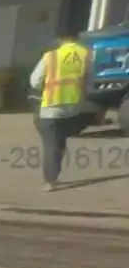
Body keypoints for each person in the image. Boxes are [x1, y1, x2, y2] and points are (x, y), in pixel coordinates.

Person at [30, 29, 93, 190]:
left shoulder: (51, 56)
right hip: (73, 109)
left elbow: (34, 82)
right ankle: (54, 174)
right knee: (59, 143)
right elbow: (89, 81)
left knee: (50, 143)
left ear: (60, 39)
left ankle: (49, 181)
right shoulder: (86, 54)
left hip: (51, 108)